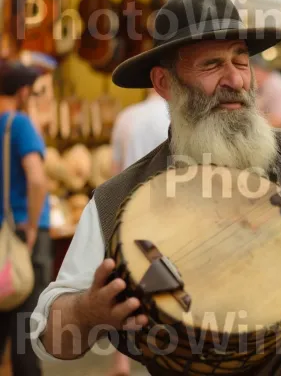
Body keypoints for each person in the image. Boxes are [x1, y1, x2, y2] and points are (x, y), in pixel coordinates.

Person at [31, 0, 281, 375]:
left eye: (240, 60)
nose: (235, 79)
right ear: (164, 83)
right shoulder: (117, 201)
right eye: (212, 65)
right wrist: (88, 311)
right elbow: (50, 340)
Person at [108, 88, 169, 375]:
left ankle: (121, 359)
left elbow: (115, 171)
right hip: (165, 209)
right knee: (165, 282)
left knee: (127, 282)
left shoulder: (125, 117)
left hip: (129, 208)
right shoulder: (174, 116)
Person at [0, 61, 50, 376]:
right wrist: (31, 225)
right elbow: (37, 178)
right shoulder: (17, 124)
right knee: (25, 334)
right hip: (21, 237)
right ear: (21, 92)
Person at [111, 89, 170, 174]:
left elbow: (115, 169)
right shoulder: (180, 117)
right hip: (167, 185)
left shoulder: (125, 116)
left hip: (131, 186)